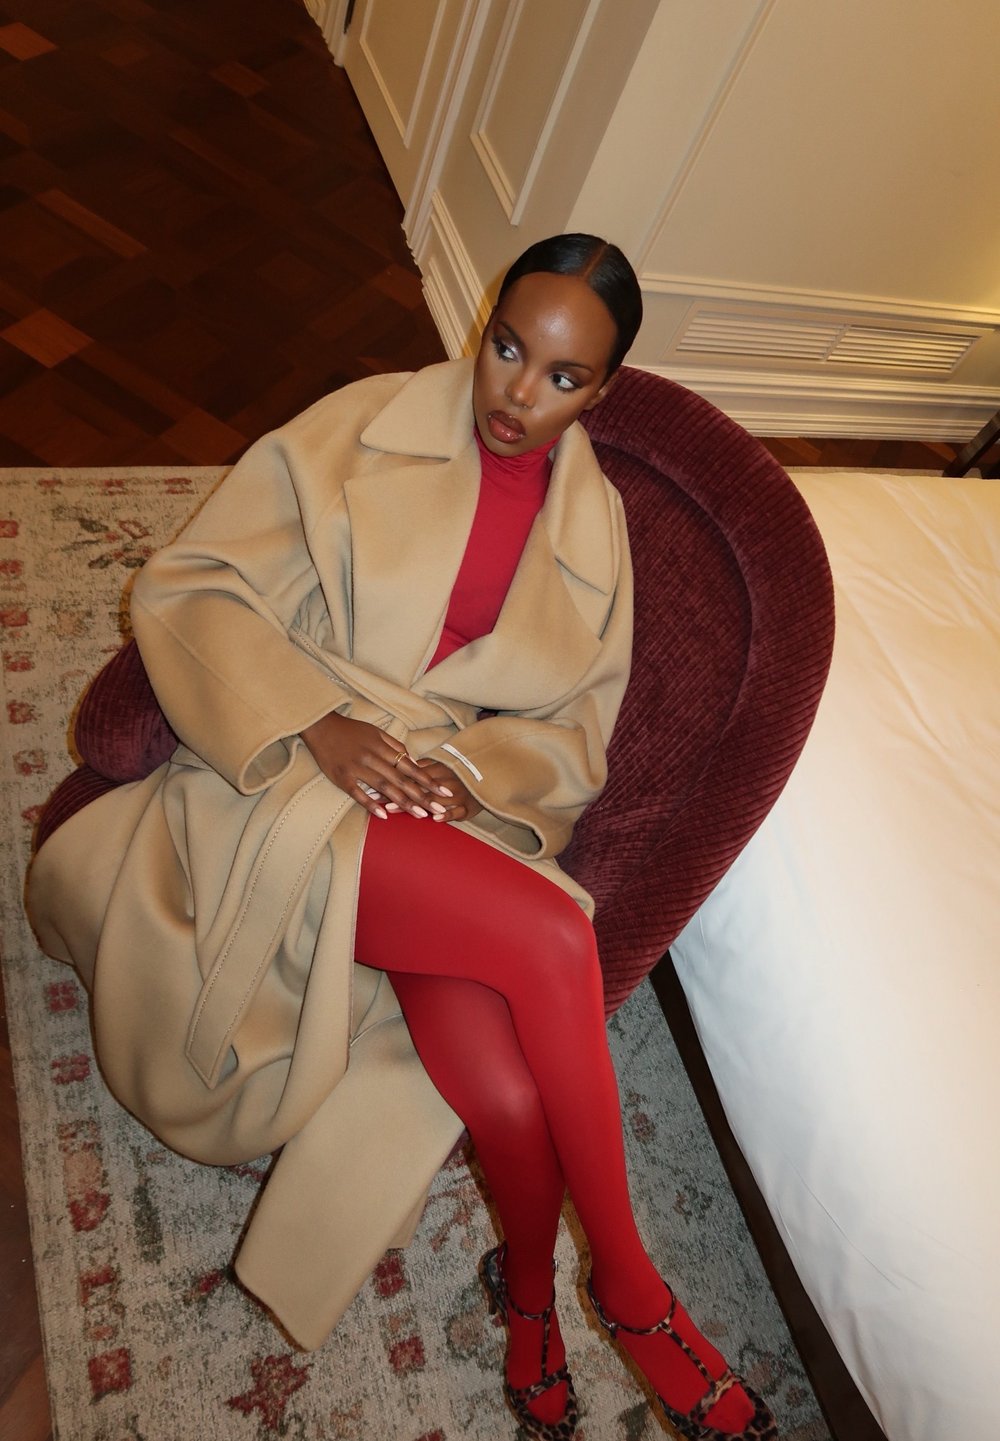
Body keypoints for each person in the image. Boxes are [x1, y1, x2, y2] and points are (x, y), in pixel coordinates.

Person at [28, 234, 777, 1441]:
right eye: (507, 349)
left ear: (603, 390)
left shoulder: (595, 531)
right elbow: (191, 585)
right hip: (279, 768)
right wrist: (316, 724)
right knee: (552, 935)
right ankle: (632, 1292)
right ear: (483, 327)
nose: (517, 395)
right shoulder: (362, 424)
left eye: (563, 377)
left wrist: (463, 775)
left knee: (509, 1095)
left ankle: (528, 1301)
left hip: (438, 797)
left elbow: (575, 734)